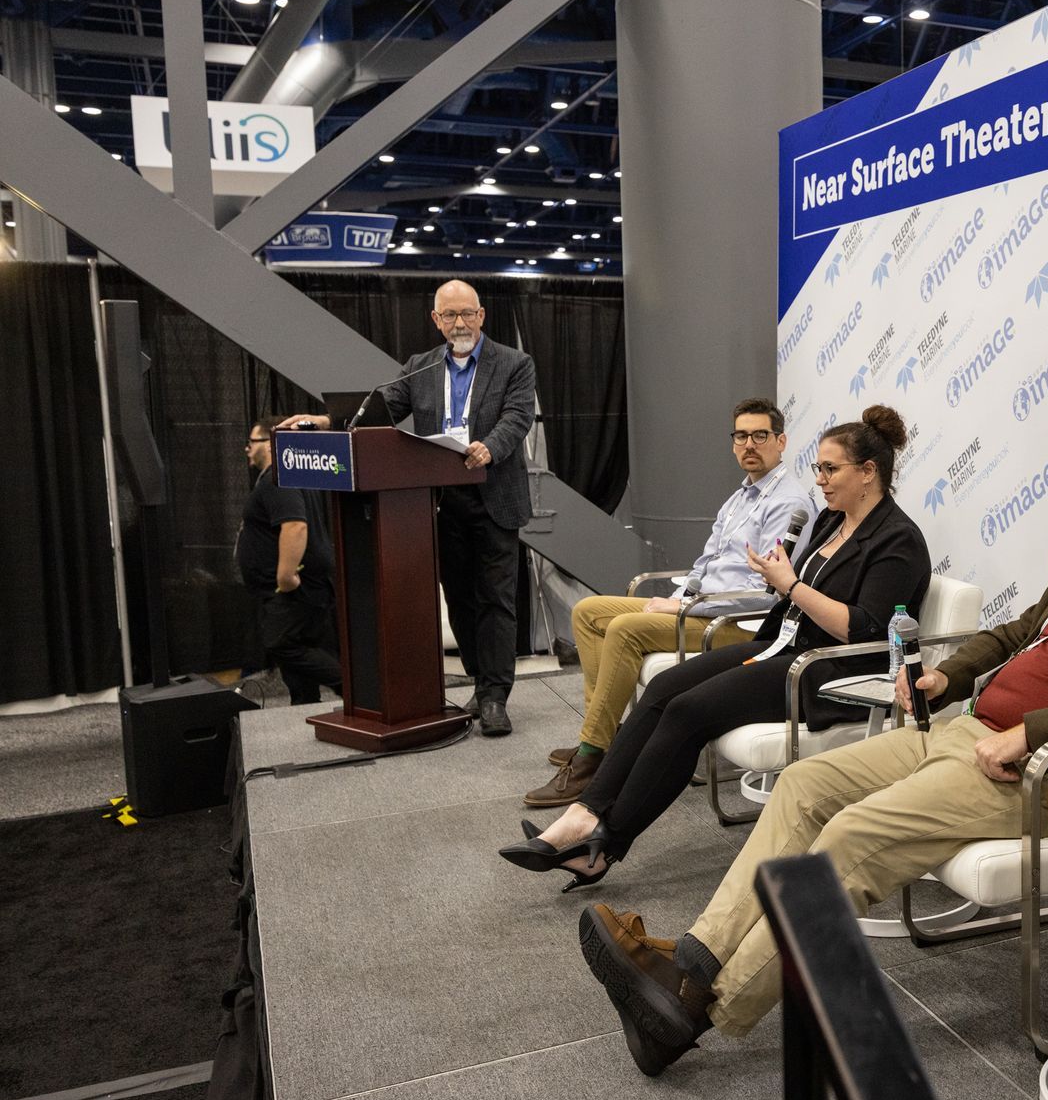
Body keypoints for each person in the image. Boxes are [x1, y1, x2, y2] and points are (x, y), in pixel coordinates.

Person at [572, 435, 1048, 1078]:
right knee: (805, 783)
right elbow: (1013, 632)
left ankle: (698, 1007)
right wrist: (947, 675)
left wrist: (1030, 733)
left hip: (1040, 769)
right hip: (964, 728)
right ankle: (693, 958)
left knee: (852, 836)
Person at [498, 406, 928, 890]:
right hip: (785, 644)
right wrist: (784, 580)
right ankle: (583, 812)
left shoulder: (898, 540)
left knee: (689, 710)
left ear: (868, 472)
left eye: (831, 469)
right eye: (819, 469)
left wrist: (789, 585)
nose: (822, 480)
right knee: (664, 685)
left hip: (830, 671)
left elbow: (864, 630)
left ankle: (605, 843)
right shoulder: (834, 519)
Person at [279, 280, 536, 736]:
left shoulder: (515, 363)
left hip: (495, 495)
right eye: (450, 316)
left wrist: (489, 447)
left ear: (482, 316)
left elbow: (516, 417)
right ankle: (480, 680)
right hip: (439, 500)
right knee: (459, 598)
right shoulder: (418, 369)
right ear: (435, 321)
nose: (460, 323)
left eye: (467, 314)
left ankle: (496, 697)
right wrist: (325, 421)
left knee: (496, 599)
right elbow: (380, 411)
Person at [530, 398, 816, 807]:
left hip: (742, 623)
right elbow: (705, 562)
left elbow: (764, 594)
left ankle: (591, 758)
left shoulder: (789, 504)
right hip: (700, 606)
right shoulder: (740, 498)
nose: (749, 444)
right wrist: (681, 597)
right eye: (741, 436)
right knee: (588, 612)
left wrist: (685, 608)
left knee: (625, 630)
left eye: (760, 435)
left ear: (781, 441)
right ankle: (605, 737)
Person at [236, 416, 341, 705]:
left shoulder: (278, 477)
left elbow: (295, 525)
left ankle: (352, 687)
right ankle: (304, 707)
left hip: (292, 586)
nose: (247, 449)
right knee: (301, 650)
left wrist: (285, 576)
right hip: (298, 585)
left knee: (281, 643)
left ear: (271, 443)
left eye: (252, 442)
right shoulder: (292, 476)